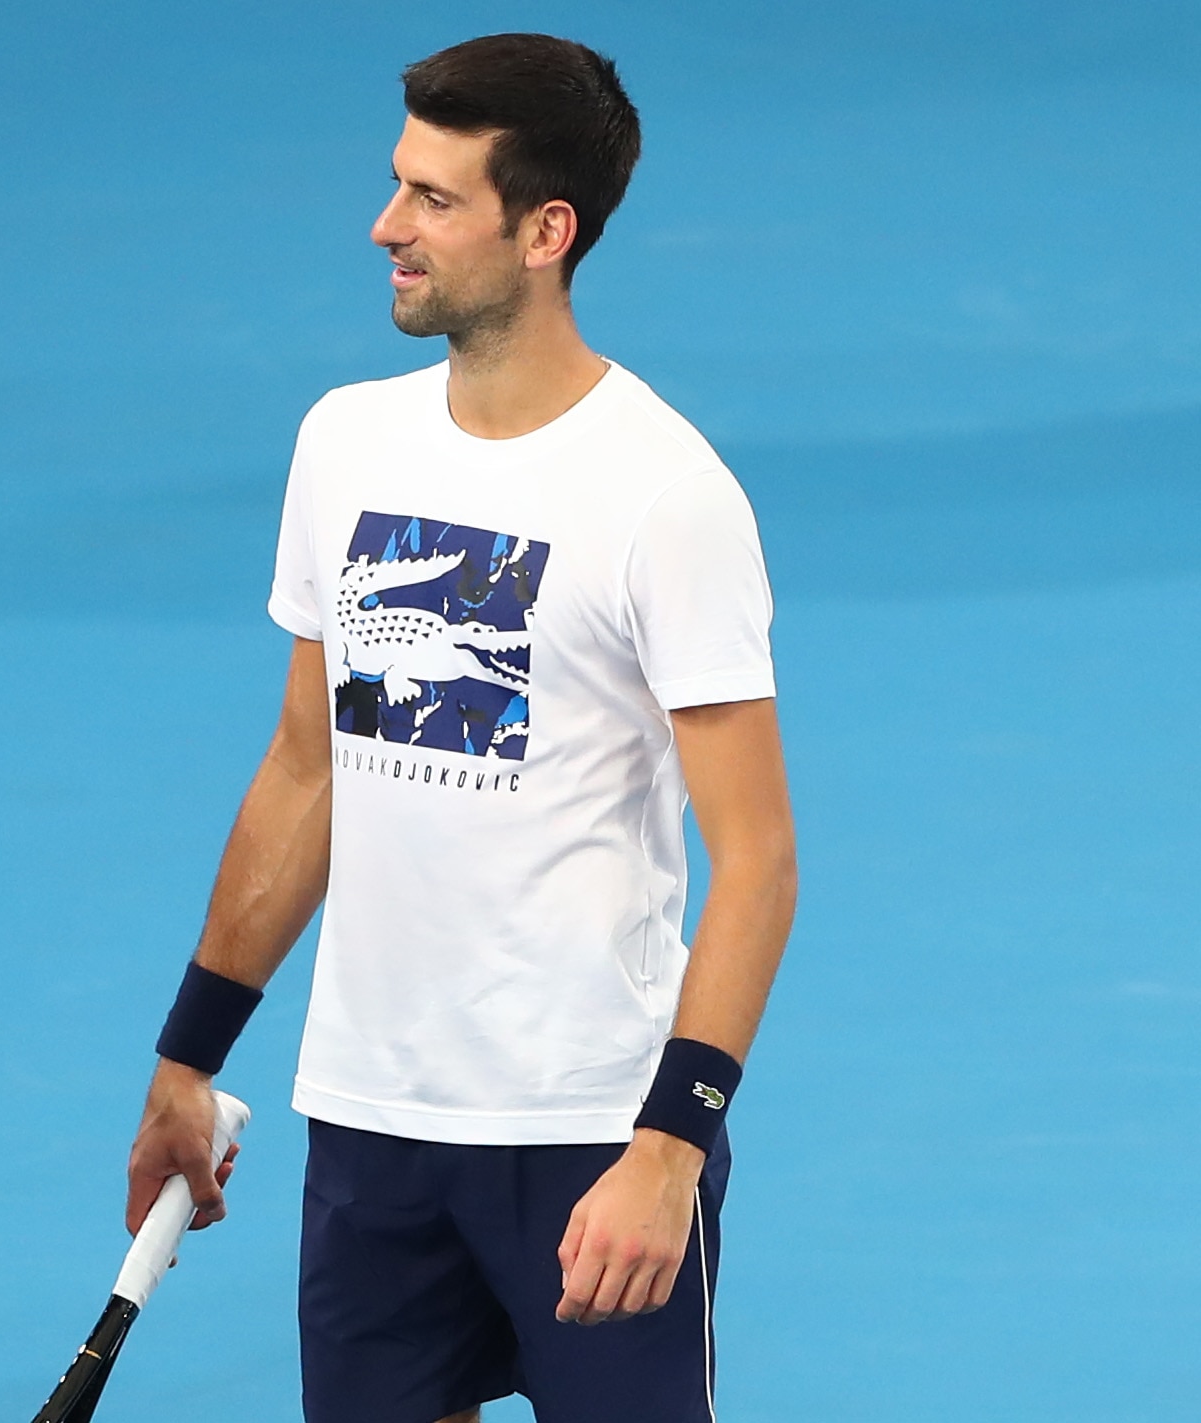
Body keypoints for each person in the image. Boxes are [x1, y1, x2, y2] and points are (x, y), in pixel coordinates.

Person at [123, 34, 798, 1423]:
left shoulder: (668, 495)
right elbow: (308, 771)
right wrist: (190, 1056)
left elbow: (760, 858)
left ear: (546, 232)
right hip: (372, 1121)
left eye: (434, 200)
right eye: (397, 187)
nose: (387, 226)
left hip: (587, 1131)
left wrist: (671, 1144)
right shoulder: (344, 443)